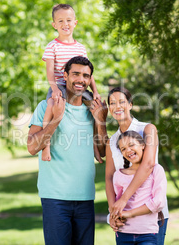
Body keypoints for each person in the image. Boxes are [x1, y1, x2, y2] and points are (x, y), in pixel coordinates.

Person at [27, 56, 108, 245]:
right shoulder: (46, 107)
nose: (81, 79)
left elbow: (102, 152)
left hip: (86, 196)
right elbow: (32, 147)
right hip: (55, 197)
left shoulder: (92, 110)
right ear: (65, 76)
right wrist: (56, 119)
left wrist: (101, 121)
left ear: (90, 80)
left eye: (86, 76)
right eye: (76, 74)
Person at [105, 87, 169, 245]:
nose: (117, 106)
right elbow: (109, 177)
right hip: (124, 220)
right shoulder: (112, 141)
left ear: (130, 104)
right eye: (112, 103)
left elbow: (148, 164)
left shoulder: (148, 129)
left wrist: (123, 199)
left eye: (122, 102)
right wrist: (113, 212)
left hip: (150, 218)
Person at [41, 4, 101, 161]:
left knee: (96, 110)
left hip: (79, 87)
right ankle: (45, 146)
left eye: (68, 20)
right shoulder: (51, 46)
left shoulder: (80, 48)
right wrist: (54, 88)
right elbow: (49, 71)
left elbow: (89, 72)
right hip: (60, 85)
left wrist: (95, 91)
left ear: (75, 22)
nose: (65, 24)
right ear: (54, 25)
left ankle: (94, 146)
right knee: (51, 106)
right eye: (60, 21)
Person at [113, 131, 167, 245]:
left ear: (143, 145)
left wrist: (130, 213)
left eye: (131, 145)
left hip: (147, 233)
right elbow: (117, 205)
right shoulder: (119, 175)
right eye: (123, 149)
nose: (128, 150)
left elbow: (158, 203)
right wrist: (114, 217)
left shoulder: (156, 170)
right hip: (123, 233)